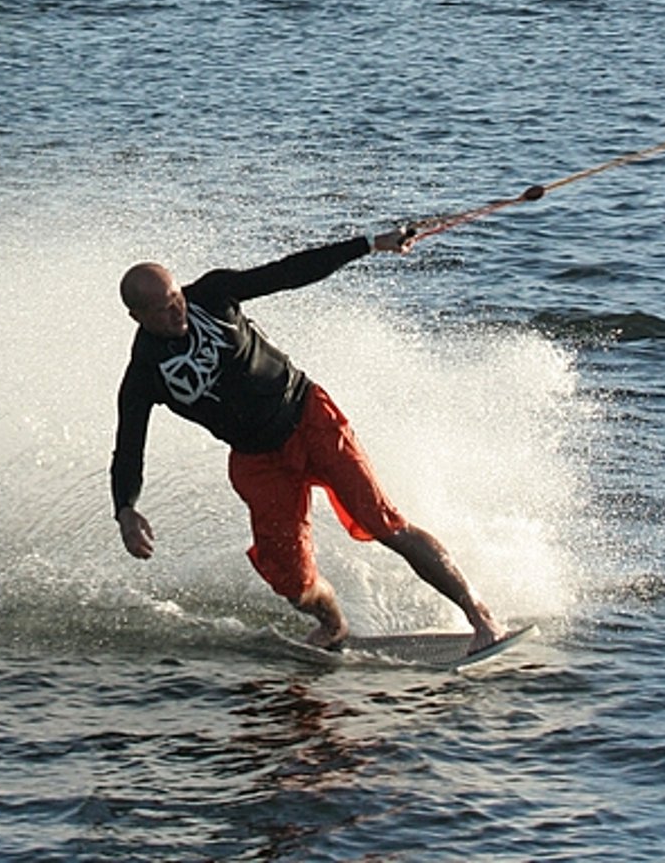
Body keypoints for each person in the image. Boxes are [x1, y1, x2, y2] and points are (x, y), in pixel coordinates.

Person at [110, 226, 506, 652]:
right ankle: (334, 626)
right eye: (163, 310)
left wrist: (370, 244)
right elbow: (129, 446)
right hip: (257, 459)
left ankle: (481, 618)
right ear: (137, 317)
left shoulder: (212, 294)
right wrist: (126, 508)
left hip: (309, 418)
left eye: (176, 299)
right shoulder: (143, 375)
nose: (178, 313)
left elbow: (289, 272)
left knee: (382, 523)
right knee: (291, 582)